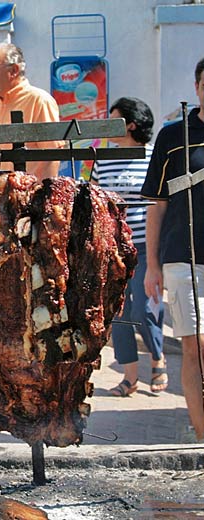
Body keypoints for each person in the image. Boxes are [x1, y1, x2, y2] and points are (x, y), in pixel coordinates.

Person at [142, 56, 204, 440]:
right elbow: (157, 206)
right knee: (195, 345)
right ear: (198, 87)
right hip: (184, 259)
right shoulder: (172, 136)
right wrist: (152, 266)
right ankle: (201, 435)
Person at [90, 97, 167, 396]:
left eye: (114, 118)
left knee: (146, 309)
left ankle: (158, 358)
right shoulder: (103, 159)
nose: (108, 124)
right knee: (118, 311)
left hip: (146, 246)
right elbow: (97, 198)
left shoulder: (151, 156)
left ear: (131, 124)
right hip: (115, 248)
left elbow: (159, 202)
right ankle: (130, 376)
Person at [0, 43, 65, 180]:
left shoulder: (39, 100)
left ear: (14, 70)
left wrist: (42, 198)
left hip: (26, 197)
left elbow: (52, 156)